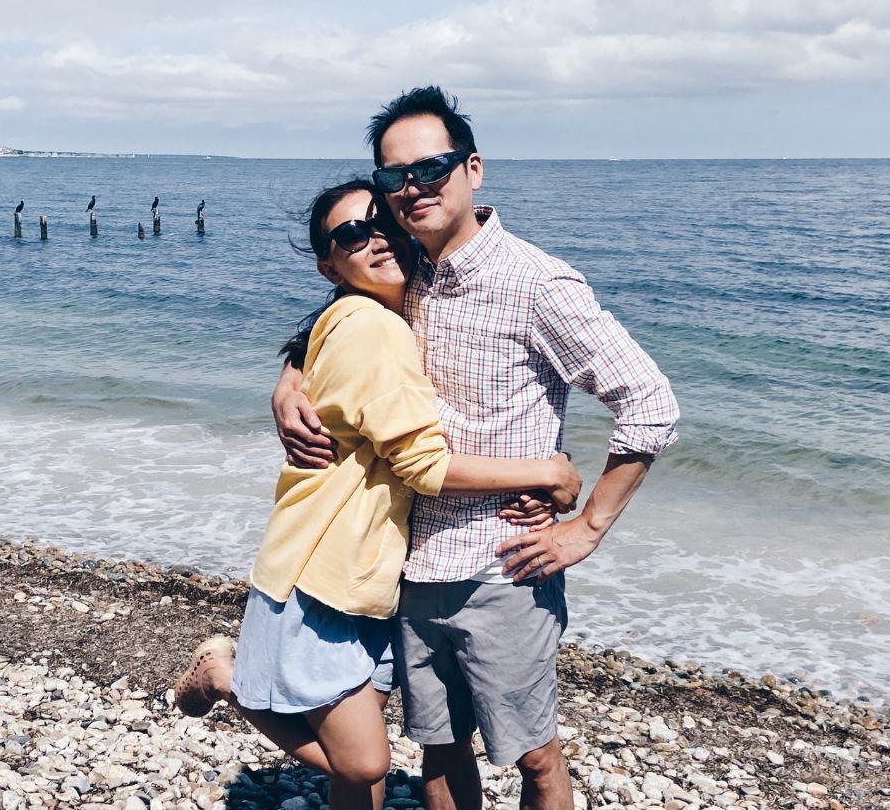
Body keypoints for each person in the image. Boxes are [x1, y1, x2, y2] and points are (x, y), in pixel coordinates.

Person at [273, 88, 680, 810]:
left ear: (473, 169)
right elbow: (342, 320)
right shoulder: (407, 268)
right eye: (395, 176)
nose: (412, 187)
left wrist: (584, 528)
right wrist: (291, 376)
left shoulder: (535, 282)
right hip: (409, 565)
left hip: (504, 570)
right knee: (438, 751)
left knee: (534, 758)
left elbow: (649, 405)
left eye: (430, 167)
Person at [173, 179, 582, 810]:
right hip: (322, 570)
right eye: (350, 235)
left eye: (382, 222)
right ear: (329, 264)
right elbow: (422, 464)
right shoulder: (375, 329)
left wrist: (287, 381)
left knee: (355, 770)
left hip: (369, 573)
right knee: (364, 764)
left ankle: (236, 680)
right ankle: (229, 679)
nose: (376, 239)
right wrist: (547, 472)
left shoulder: (384, 311)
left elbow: (315, 350)